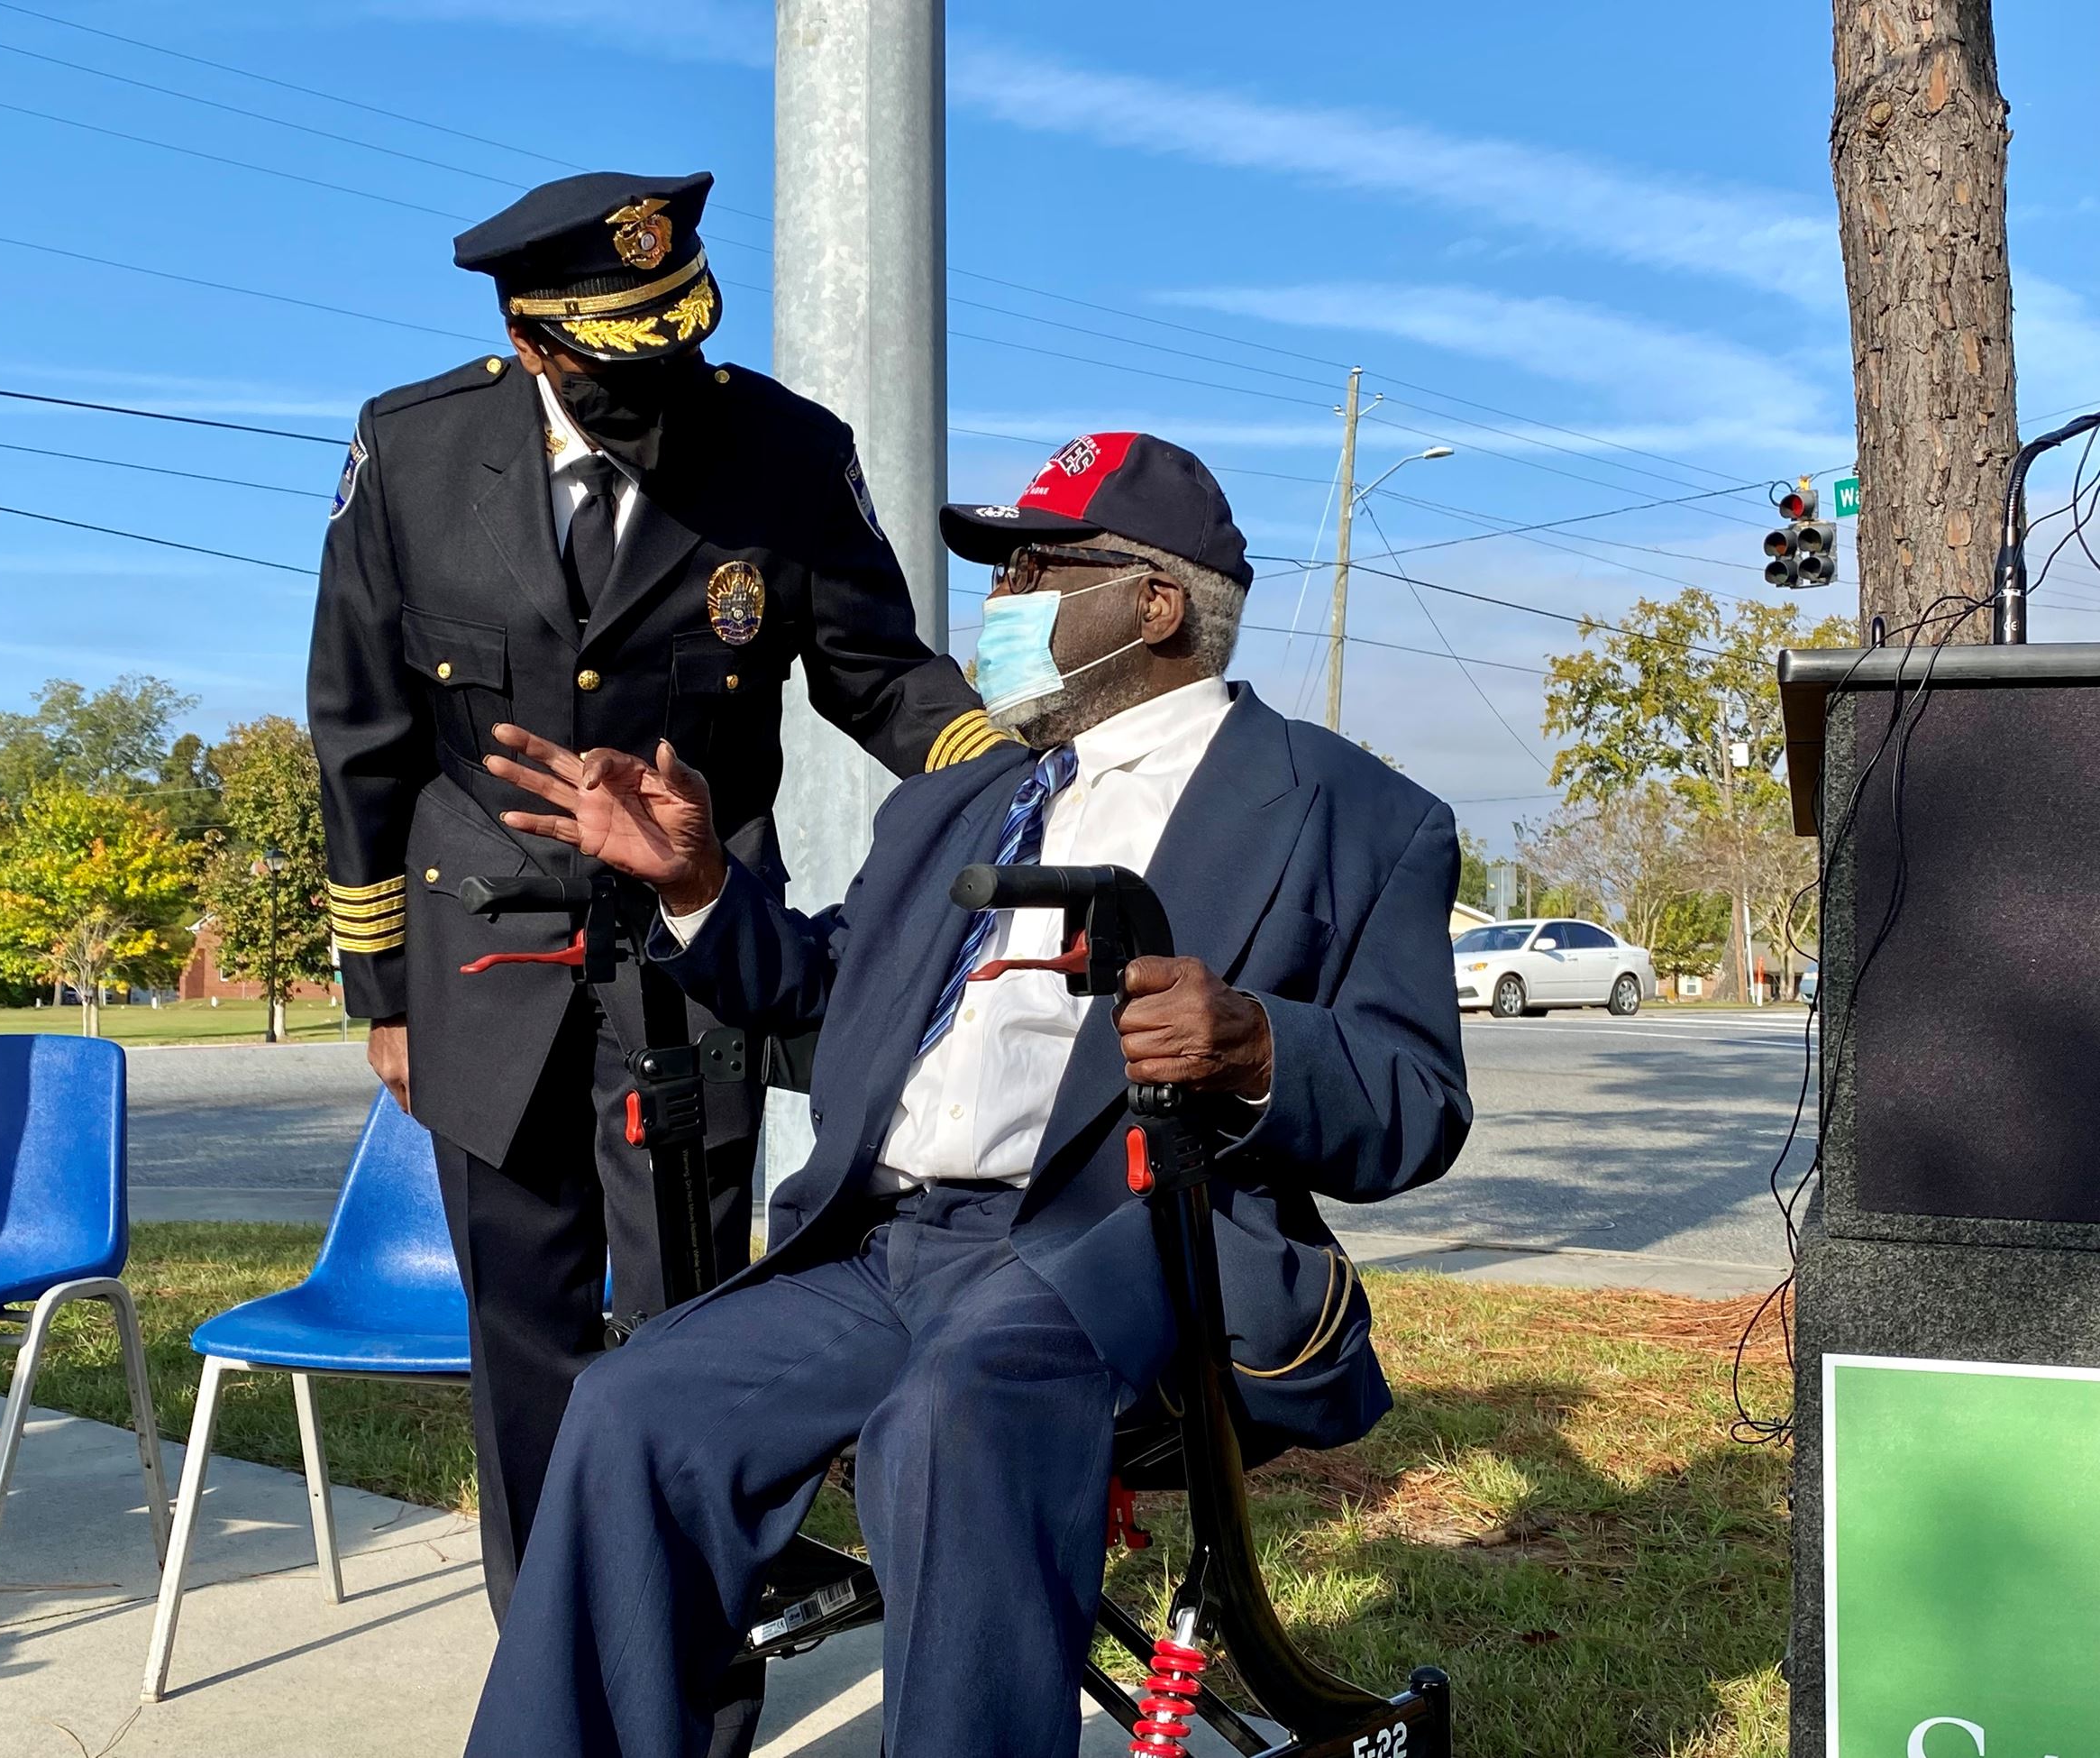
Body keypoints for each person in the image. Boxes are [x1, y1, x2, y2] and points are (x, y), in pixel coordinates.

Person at [462, 431, 1473, 1757]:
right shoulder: (959, 800)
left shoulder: (1352, 814)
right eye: (998, 572)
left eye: (1035, 567)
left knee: (958, 1412)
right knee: (634, 1405)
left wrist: (1256, 1043)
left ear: (1155, 603)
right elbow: (831, 992)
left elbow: (1417, 1099)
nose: (998, 605)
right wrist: (701, 885)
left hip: (1118, 1249)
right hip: (886, 1248)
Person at [305, 169, 995, 1638]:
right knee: (525, 1336)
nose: (659, 391)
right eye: (621, 362)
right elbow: (360, 728)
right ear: (532, 335)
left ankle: (698, 1685)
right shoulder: (414, 455)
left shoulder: (783, 454)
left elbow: (881, 674)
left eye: (675, 345)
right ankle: (556, 1670)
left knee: (690, 1329)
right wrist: (382, 999)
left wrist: (1016, 777)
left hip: (693, 959)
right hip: (481, 964)